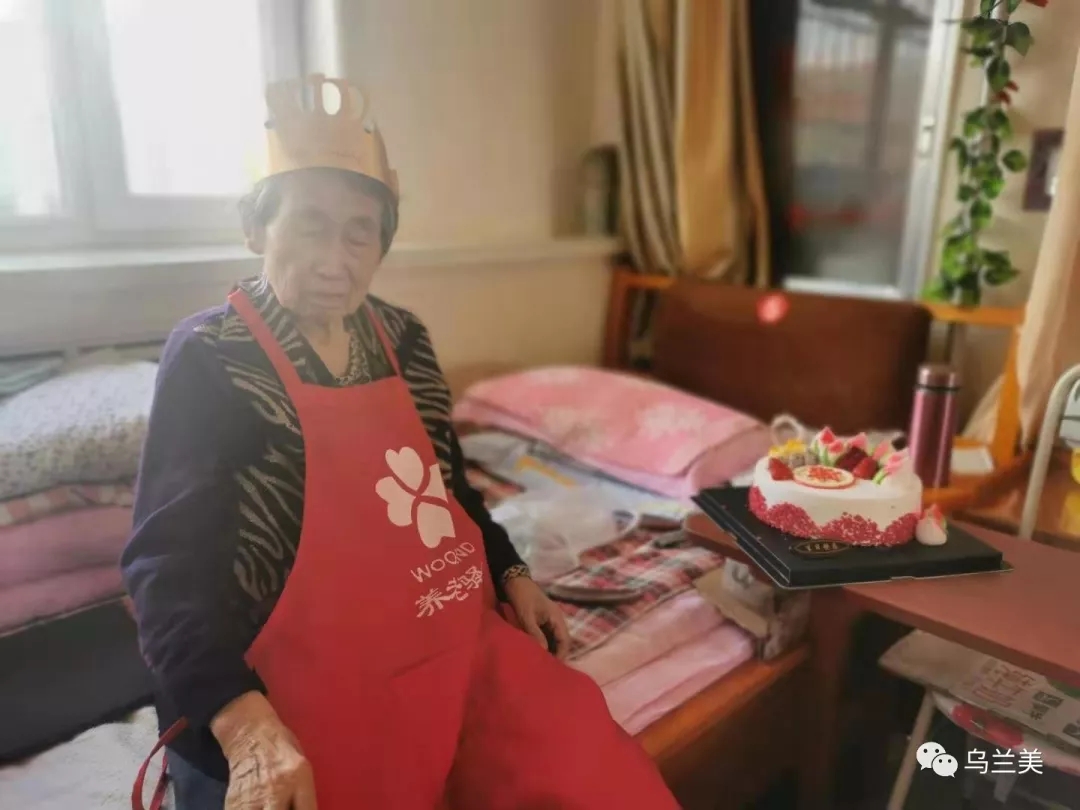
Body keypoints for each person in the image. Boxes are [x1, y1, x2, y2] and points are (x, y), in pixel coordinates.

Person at [123, 74, 679, 810]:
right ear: (256, 229)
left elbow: (447, 491)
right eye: (311, 226)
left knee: (593, 779)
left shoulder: (401, 337)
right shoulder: (212, 355)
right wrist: (245, 725)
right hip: (282, 683)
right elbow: (163, 569)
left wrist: (512, 573)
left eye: (361, 233)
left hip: (437, 642)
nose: (337, 259)